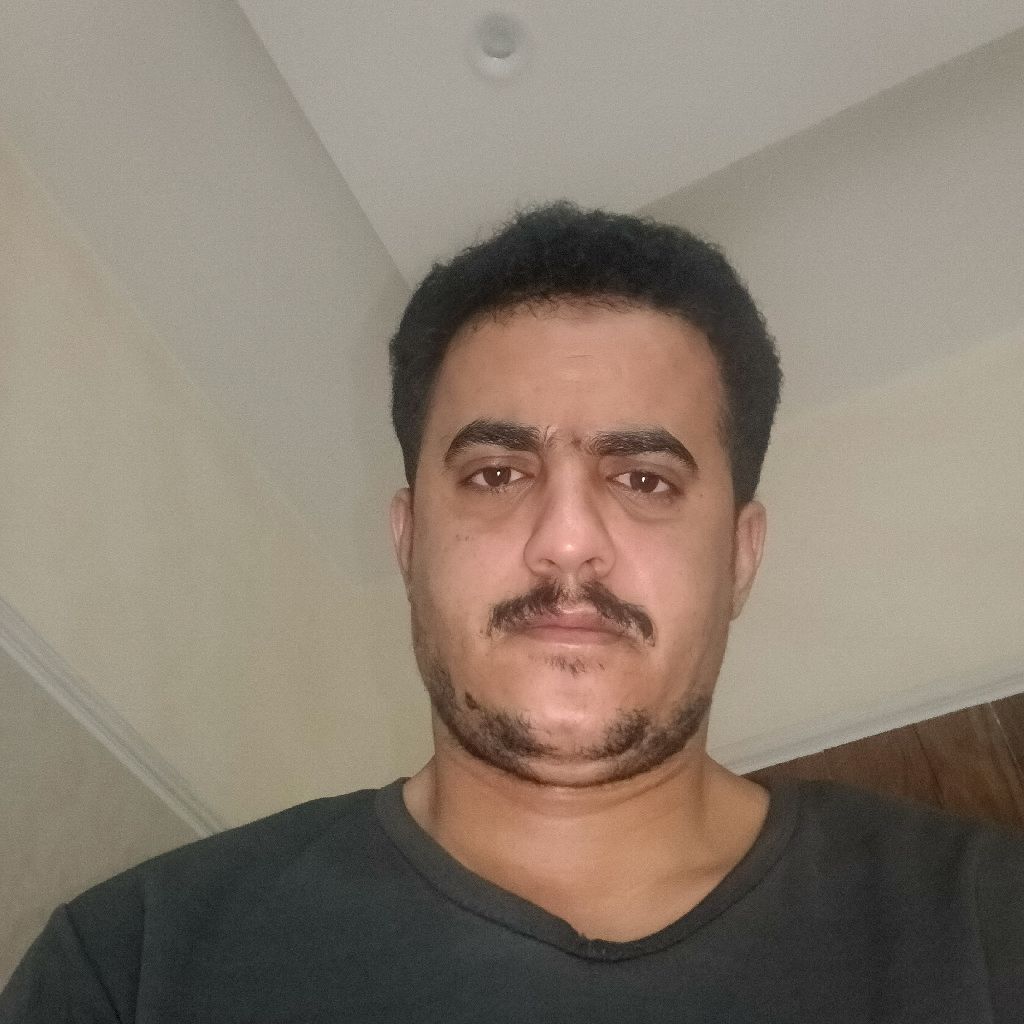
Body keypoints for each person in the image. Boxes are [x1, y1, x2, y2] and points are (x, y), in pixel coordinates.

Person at [2, 202, 1022, 1022]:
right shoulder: (132, 967)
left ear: (740, 557)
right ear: (407, 540)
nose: (567, 540)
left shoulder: (987, 927)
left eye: (645, 479)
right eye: (496, 473)